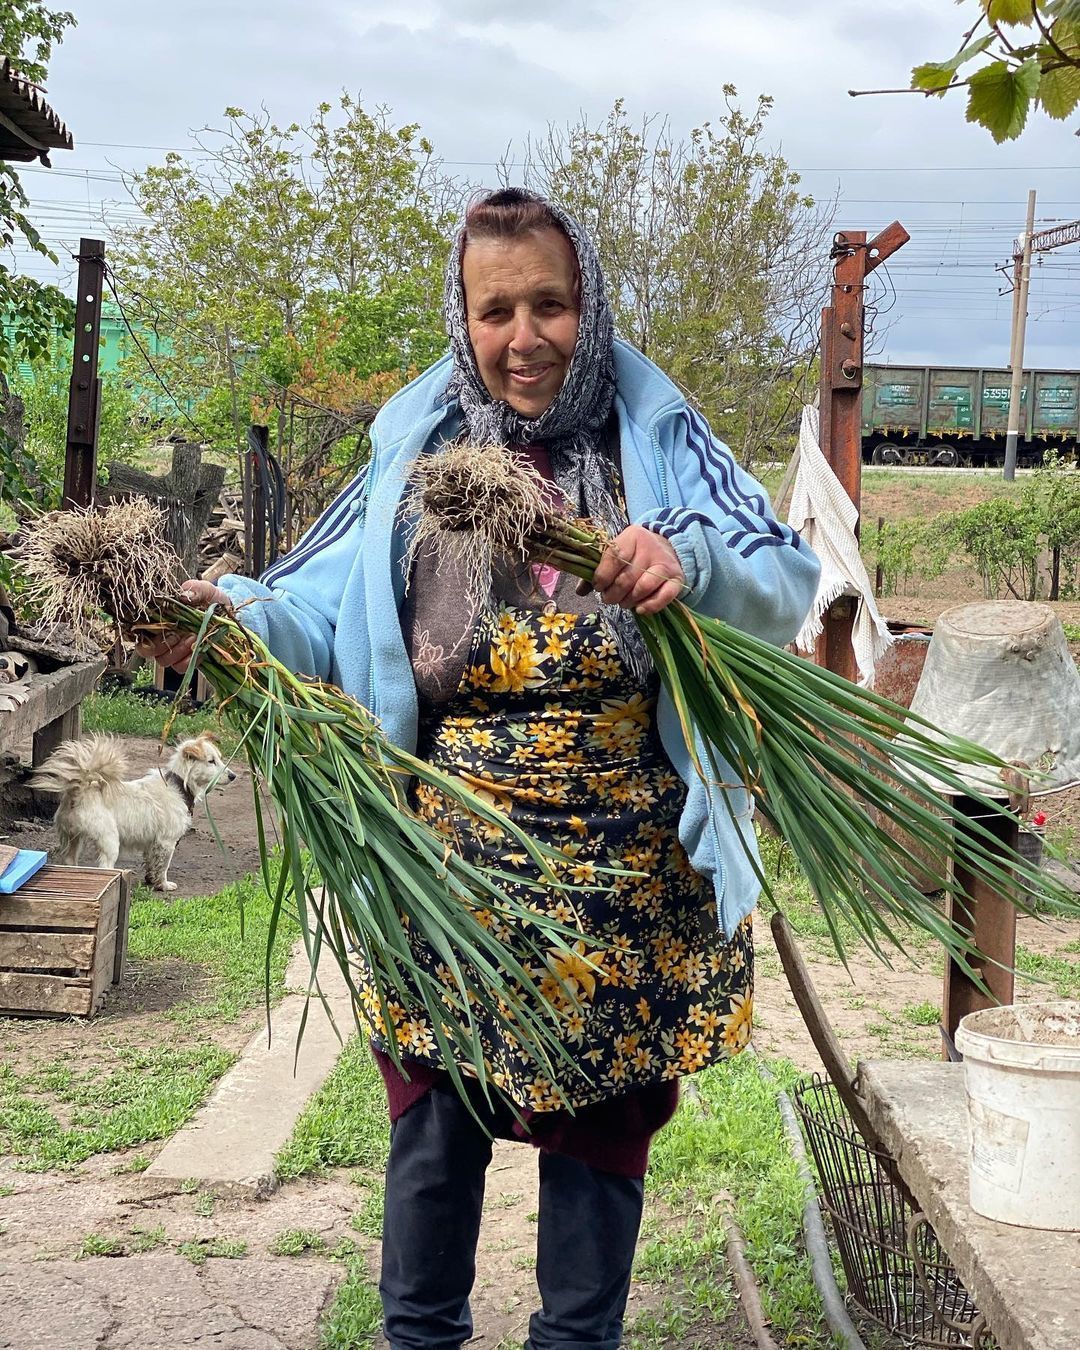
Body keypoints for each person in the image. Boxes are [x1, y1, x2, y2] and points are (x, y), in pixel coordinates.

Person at [149, 188, 820, 1350]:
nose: (525, 338)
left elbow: (787, 574)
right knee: (435, 1125)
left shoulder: (654, 433)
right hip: (446, 863)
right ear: (463, 318)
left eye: (551, 304)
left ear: (589, 304)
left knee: (601, 1135)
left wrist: (689, 557)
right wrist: (228, 617)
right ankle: (420, 1338)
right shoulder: (419, 447)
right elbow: (313, 605)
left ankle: (576, 1341)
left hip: (626, 870)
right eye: (496, 308)